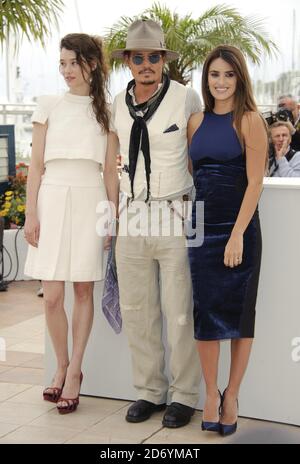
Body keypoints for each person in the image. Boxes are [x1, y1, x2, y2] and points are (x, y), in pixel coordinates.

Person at [110, 19, 202, 428]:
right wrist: (112, 215)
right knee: (137, 310)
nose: (146, 64)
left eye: (154, 56)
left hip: (174, 213)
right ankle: (149, 390)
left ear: (163, 59)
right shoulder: (117, 102)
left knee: (179, 311)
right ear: (128, 60)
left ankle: (183, 395)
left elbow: (200, 156)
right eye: (139, 57)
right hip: (130, 215)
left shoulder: (186, 99)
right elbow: (109, 160)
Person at [24, 33, 119, 414]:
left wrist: (111, 214)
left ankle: (75, 371)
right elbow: (34, 165)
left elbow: (110, 171)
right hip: (51, 195)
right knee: (52, 294)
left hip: (89, 197)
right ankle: (60, 364)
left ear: (91, 64)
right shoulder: (48, 104)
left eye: (73, 63)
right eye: (61, 63)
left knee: (82, 290)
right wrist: (31, 212)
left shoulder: (108, 111)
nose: (66, 71)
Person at [188, 45, 268, 436]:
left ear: (240, 78)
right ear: (206, 79)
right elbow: (196, 177)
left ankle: (232, 395)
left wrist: (236, 234)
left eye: (228, 75)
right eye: (214, 74)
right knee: (204, 314)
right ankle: (209, 394)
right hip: (200, 229)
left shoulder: (251, 120)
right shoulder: (195, 121)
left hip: (240, 231)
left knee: (238, 316)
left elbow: (255, 183)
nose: (220, 82)